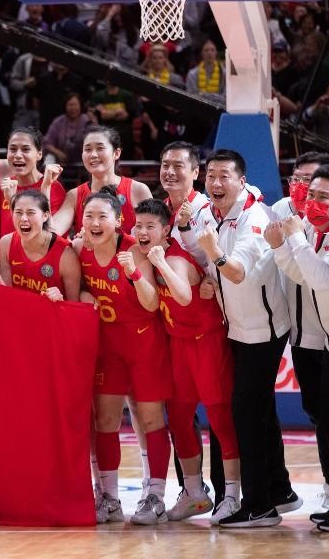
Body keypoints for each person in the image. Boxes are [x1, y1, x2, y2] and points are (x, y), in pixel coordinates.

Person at [179, 149, 298, 528]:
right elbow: (199, 252)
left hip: (262, 332)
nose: (215, 183)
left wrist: (214, 256)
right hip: (235, 327)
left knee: (247, 414)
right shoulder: (208, 212)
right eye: (211, 176)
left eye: (224, 176)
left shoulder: (256, 218)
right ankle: (280, 490)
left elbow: (237, 271)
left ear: (241, 181)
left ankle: (260, 506)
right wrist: (189, 234)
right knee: (259, 411)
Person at [266, 165, 329, 531]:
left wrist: (293, 239)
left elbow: (323, 278)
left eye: (322, 197)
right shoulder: (319, 233)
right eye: (310, 195)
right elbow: (305, 275)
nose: (312, 202)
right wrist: (281, 247)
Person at [72, 190, 172, 525]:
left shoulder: (133, 250)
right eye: (89, 216)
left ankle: (155, 496)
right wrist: (83, 294)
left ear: (117, 221)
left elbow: (152, 303)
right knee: (105, 420)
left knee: (150, 419)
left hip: (144, 342)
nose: (94, 222)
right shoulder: (79, 249)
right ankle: (109, 498)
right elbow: (73, 287)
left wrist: (135, 274)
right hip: (107, 345)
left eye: (102, 216)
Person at [143, 199, 243, 525]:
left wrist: (161, 264)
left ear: (166, 230)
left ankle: (232, 496)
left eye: (150, 226)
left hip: (206, 342)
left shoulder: (173, 258)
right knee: (178, 418)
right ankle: (194, 493)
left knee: (220, 420)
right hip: (178, 343)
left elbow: (184, 296)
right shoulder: (145, 252)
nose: (142, 232)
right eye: (138, 225)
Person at [268, 152, 329, 509]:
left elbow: (317, 276)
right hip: (300, 334)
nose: (303, 189)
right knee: (317, 411)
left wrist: (290, 242)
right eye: (297, 179)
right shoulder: (281, 211)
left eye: (311, 183)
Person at [52, 126, 150, 237]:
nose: (93, 155)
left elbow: (154, 233)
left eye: (100, 148)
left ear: (116, 153)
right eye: (88, 149)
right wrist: (46, 187)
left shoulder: (138, 190)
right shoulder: (74, 195)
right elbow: (52, 233)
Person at [0, 190, 80, 302]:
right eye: (18, 212)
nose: (23, 218)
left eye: (30, 213)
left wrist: (60, 301)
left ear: (45, 216)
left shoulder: (65, 255)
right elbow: (6, 295)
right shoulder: (6, 243)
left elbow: (74, 306)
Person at [3, 127, 66, 216]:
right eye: (13, 149)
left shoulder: (52, 187)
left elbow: (51, 225)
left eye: (25, 149)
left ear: (39, 154)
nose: (18, 155)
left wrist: (12, 201)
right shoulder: (4, 187)